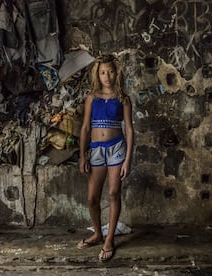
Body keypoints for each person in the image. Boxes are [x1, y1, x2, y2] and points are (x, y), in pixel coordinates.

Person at [77, 54, 134, 261]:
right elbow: (85, 128)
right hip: (96, 150)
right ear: (97, 74)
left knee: (113, 193)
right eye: (102, 72)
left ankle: (109, 239)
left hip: (116, 148)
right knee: (92, 198)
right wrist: (82, 155)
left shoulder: (123, 99)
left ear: (116, 72)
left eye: (110, 71)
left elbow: (129, 129)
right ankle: (97, 233)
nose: (107, 76)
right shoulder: (92, 97)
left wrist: (128, 159)